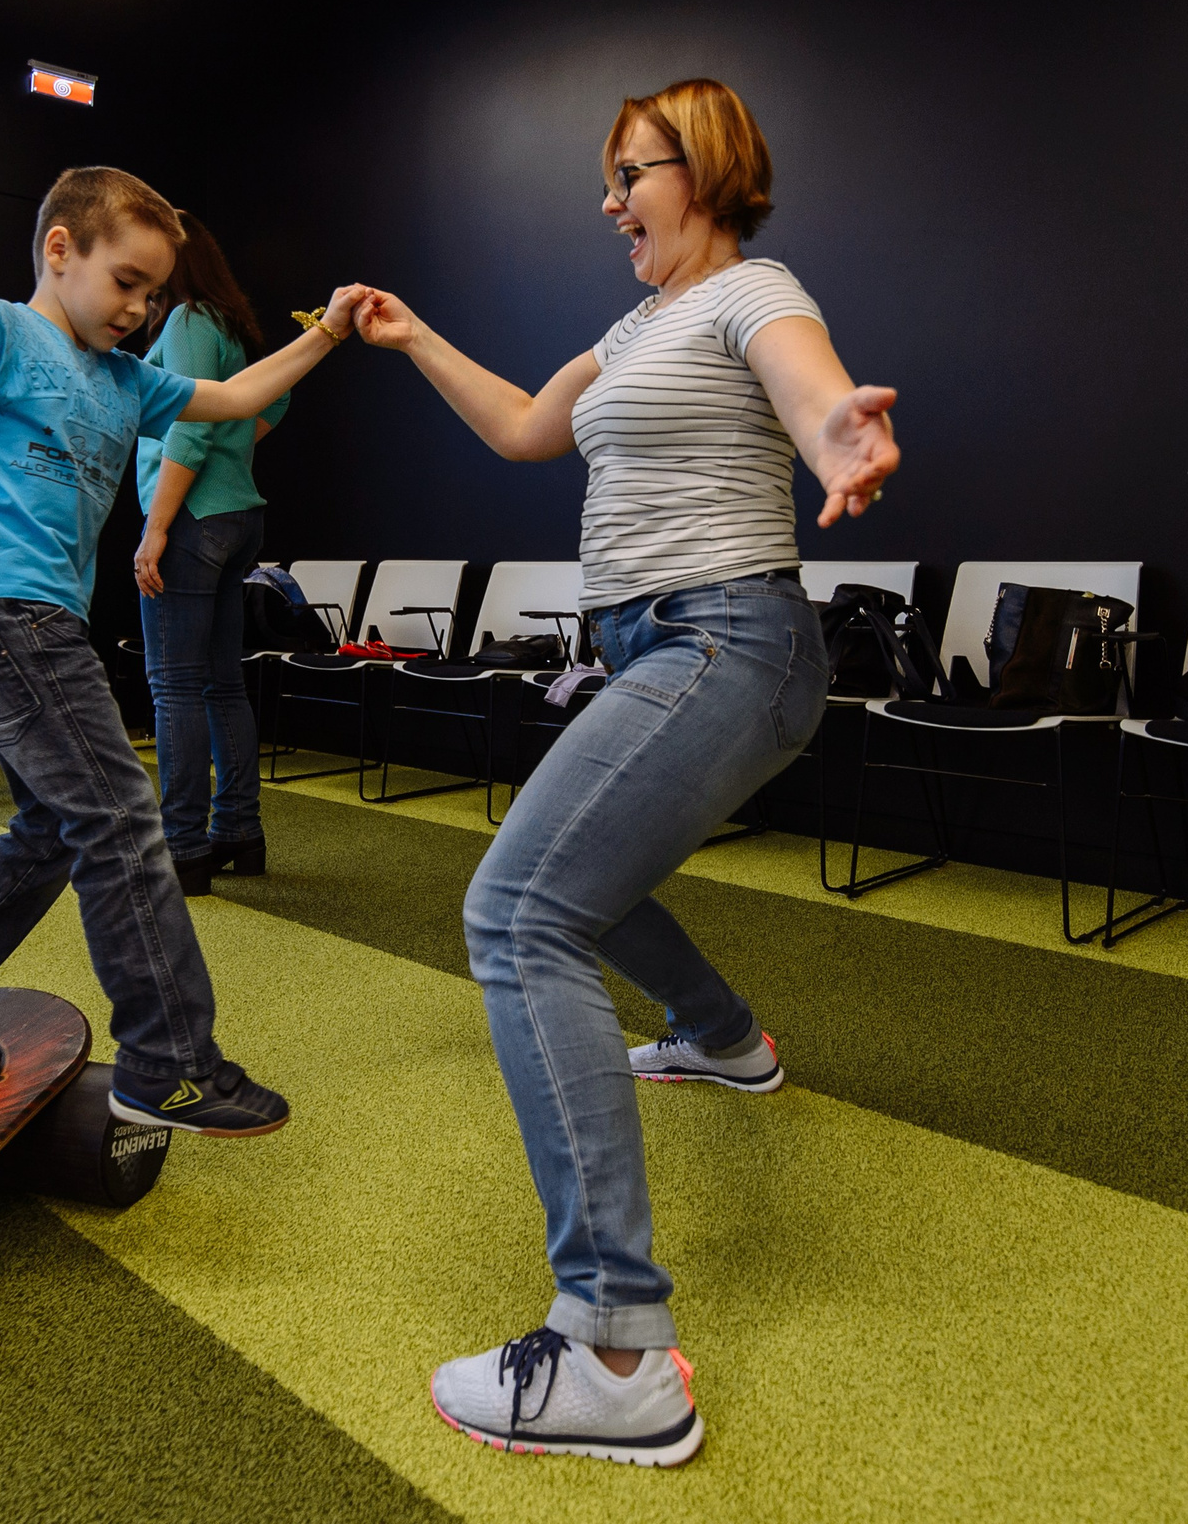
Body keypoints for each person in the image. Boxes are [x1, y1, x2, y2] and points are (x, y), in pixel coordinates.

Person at [355, 78, 900, 1465]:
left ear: (704, 170)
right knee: (575, 877)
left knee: (518, 912)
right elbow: (527, 429)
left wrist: (843, 431)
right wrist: (412, 334)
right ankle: (722, 1038)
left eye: (631, 174)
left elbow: (810, 381)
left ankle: (615, 1350)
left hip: (728, 637)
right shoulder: (634, 322)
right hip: (668, 647)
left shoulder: (751, 292)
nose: (610, 202)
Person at [0, 164, 361, 1135]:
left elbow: (236, 398)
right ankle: (170, 1064)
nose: (140, 307)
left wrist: (326, 329)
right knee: (121, 823)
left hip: (40, 622)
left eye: (154, 293)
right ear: (60, 250)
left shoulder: (127, 381)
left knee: (57, 828)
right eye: (126, 282)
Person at [130, 214, 285, 896]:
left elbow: (189, 433)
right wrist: (234, 449)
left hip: (195, 520)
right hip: (237, 516)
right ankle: (238, 834)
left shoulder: (189, 320)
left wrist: (156, 528)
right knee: (220, 683)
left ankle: (184, 848)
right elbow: (271, 407)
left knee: (173, 687)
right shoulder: (227, 322)